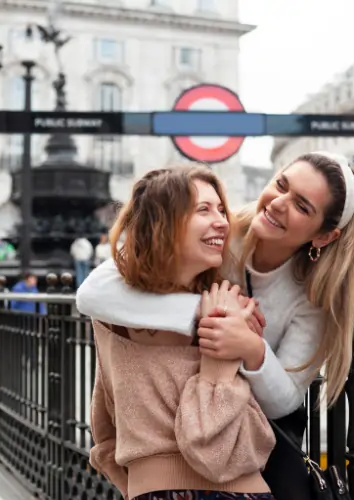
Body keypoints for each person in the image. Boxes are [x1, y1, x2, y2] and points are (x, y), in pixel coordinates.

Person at [78, 152, 354, 498]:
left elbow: (285, 400)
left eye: (302, 206)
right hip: (185, 445)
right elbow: (94, 293)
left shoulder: (314, 297)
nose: (278, 203)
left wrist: (250, 348)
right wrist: (210, 314)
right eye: (281, 185)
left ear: (323, 237)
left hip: (244, 445)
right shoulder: (218, 234)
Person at [88, 165, 276, 500]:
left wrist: (142, 483)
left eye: (221, 209)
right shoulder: (221, 314)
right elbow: (210, 449)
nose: (221, 220)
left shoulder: (110, 315)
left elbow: (104, 430)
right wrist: (219, 366)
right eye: (203, 209)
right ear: (162, 224)